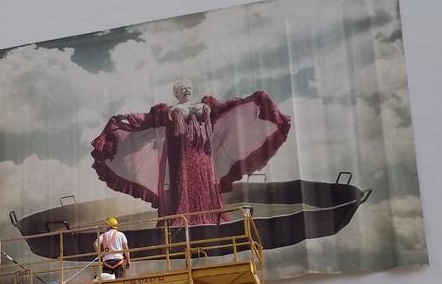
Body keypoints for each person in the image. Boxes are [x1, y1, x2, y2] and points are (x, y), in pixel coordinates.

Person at [90, 79, 291, 226]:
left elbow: (228, 107)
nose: (186, 91)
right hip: (181, 154)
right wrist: (125, 117)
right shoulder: (168, 111)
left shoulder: (204, 106)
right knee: (182, 182)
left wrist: (255, 100)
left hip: (201, 153)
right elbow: (147, 119)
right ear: (177, 93)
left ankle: (209, 214)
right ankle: (185, 216)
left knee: (204, 180)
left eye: (188, 88)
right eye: (182, 89)